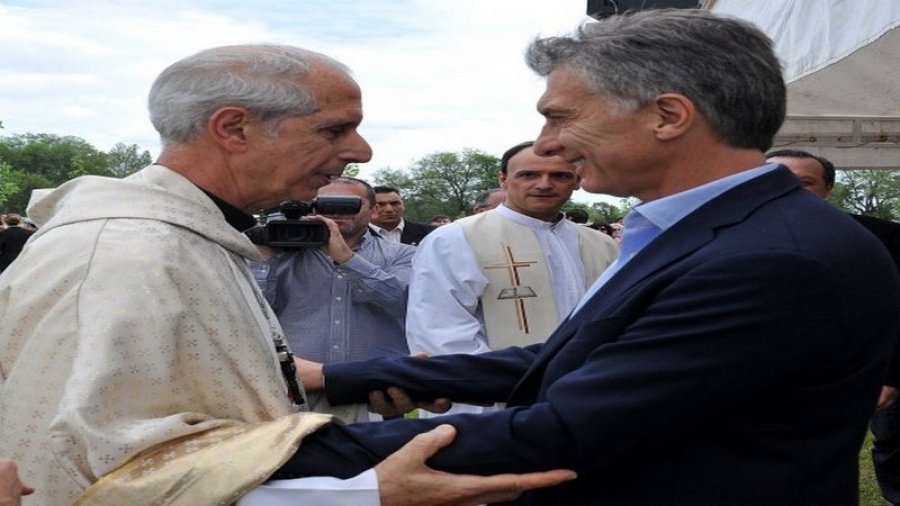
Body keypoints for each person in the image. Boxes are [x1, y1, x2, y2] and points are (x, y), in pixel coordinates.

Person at [265, 10, 900, 505]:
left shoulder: (772, 258)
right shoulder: (724, 230)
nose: (549, 146)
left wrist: (275, 453)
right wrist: (339, 378)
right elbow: (566, 359)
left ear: (667, 116)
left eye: (560, 117)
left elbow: (565, 429)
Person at [0, 44, 572, 506]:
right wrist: (361, 494)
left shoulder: (185, 238)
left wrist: (350, 384)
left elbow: (207, 404)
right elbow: (105, 468)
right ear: (234, 128)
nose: (362, 151)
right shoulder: (128, 255)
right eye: (334, 130)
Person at [767, 148, 900, 505]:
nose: (788, 190)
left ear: (828, 189)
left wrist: (892, 374)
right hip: (775, 374)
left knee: (890, 441)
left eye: (804, 183)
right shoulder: (727, 239)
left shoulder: (882, 236)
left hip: (867, 368)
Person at [406, 141, 617, 358]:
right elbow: (440, 330)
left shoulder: (601, 244)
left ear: (577, 181)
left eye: (560, 176)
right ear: (503, 180)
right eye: (528, 175)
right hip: (501, 376)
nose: (544, 184)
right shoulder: (454, 239)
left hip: (596, 371)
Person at [253, 177, 415, 423]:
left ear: (373, 210)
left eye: (347, 205)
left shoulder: (403, 254)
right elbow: (254, 311)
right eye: (325, 204)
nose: (335, 213)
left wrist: (347, 258)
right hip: (297, 387)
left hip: (377, 389)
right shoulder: (285, 254)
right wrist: (264, 258)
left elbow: (403, 302)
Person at [368, 186, 436, 245]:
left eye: (394, 203)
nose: (389, 209)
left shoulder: (431, 234)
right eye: (381, 205)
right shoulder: (361, 236)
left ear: (403, 205)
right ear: (368, 207)